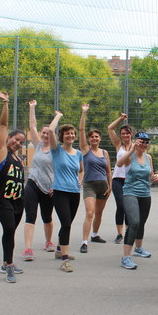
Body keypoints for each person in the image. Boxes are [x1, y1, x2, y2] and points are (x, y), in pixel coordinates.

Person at [21, 100, 63, 261]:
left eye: (48, 133)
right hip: (33, 183)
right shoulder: (38, 145)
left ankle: (48, 242)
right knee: (30, 215)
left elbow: (59, 170)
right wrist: (32, 108)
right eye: (43, 133)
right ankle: (27, 249)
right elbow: (32, 126)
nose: (45, 135)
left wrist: (57, 117)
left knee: (47, 217)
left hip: (49, 188)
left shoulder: (55, 149)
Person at [0, 90, 26, 283]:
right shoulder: (2, 153)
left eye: (21, 142)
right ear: (8, 138)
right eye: (15, 139)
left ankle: (6, 261)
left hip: (18, 202)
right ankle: (9, 265)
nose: (17, 143)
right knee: (9, 228)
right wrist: (6, 103)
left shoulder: (18, 159)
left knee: (10, 231)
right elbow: (3, 124)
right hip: (3, 200)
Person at [117, 131, 158, 269]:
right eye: (141, 141)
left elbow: (150, 177)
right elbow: (119, 164)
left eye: (146, 142)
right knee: (134, 222)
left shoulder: (148, 157)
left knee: (141, 223)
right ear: (136, 142)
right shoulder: (130, 156)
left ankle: (138, 249)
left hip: (145, 193)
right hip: (130, 192)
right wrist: (132, 149)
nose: (144, 144)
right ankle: (126, 257)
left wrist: (155, 178)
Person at [46, 123, 84, 273]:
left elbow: (81, 170)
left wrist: (80, 179)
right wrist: (58, 116)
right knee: (66, 223)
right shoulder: (56, 150)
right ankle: (65, 260)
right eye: (67, 133)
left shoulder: (78, 153)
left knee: (66, 224)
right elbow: (50, 130)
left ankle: (59, 249)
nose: (70, 135)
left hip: (74, 193)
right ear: (62, 136)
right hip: (60, 191)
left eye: (72, 133)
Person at [78, 104, 112, 253]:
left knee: (99, 213)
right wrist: (84, 113)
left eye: (96, 136)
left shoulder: (104, 153)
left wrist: (110, 186)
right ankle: (84, 242)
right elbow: (81, 130)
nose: (94, 138)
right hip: (89, 185)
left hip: (103, 185)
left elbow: (108, 171)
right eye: (91, 136)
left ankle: (95, 234)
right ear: (89, 139)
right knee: (90, 212)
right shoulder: (85, 150)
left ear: (100, 139)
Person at [108, 113, 133, 244]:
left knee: (128, 206)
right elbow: (110, 128)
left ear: (131, 134)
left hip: (130, 180)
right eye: (123, 133)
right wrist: (121, 119)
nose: (125, 136)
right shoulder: (118, 144)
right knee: (121, 205)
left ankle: (129, 231)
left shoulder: (136, 146)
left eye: (127, 133)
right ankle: (119, 234)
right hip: (118, 179)